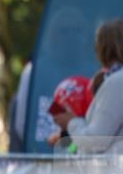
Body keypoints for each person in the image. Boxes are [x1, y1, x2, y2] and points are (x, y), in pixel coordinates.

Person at [52, 18, 123, 154]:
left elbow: (95, 141)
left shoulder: (116, 82)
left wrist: (71, 122)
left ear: (103, 48)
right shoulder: (113, 80)